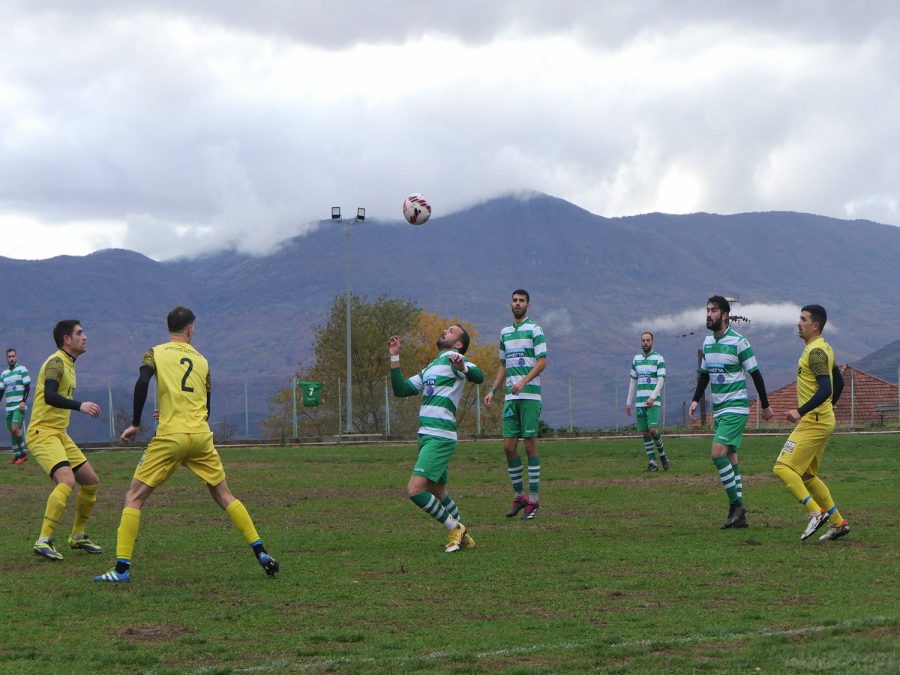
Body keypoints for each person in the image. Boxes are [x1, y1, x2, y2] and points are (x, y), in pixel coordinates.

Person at [94, 306, 278, 582]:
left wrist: (135, 423)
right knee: (224, 495)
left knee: (134, 497)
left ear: (170, 328)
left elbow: (142, 381)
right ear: (190, 328)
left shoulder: (153, 352)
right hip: (201, 436)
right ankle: (260, 550)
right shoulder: (202, 361)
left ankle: (121, 570)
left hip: (171, 436)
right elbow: (205, 406)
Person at [389, 324, 483, 553]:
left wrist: (463, 367)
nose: (444, 331)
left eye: (451, 331)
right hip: (427, 435)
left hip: (439, 436)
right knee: (437, 491)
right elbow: (401, 389)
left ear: (459, 343)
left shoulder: (455, 358)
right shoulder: (431, 366)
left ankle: (454, 527)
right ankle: (464, 536)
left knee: (415, 490)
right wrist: (395, 358)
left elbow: (479, 376)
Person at [690, 296, 774, 529]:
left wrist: (765, 405)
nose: (709, 314)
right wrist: (696, 399)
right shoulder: (708, 342)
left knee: (717, 454)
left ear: (725, 315)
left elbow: (756, 374)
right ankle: (740, 517)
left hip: (736, 407)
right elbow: (705, 375)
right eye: (707, 310)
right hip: (719, 409)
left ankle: (736, 506)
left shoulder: (740, 342)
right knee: (730, 456)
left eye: (713, 310)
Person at [773, 305, 849, 542]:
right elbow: (839, 382)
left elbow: (827, 387)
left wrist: (800, 410)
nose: (799, 322)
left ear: (815, 325)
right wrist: (826, 409)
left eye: (803, 319)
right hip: (822, 419)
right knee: (806, 475)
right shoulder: (823, 348)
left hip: (814, 421)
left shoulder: (816, 352)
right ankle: (838, 523)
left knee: (782, 468)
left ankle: (815, 513)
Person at [29, 321, 104, 560]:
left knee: (91, 482)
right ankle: (44, 540)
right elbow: (50, 396)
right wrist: (79, 405)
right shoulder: (56, 362)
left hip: (60, 434)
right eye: (79, 333)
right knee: (67, 480)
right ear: (66, 339)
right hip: (43, 433)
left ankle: (78, 536)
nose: (85, 337)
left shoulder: (69, 364)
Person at [483, 289, 547, 520]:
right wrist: (492, 390)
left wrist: (523, 381)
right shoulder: (505, 333)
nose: (517, 304)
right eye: (514, 300)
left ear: (528, 305)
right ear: (510, 304)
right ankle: (520, 496)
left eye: (521, 301)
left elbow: (542, 362)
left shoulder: (535, 329)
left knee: (529, 445)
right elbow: (503, 365)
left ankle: (534, 500)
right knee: (509, 447)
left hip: (529, 396)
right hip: (511, 398)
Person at [625, 332, 669, 472]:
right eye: (643, 340)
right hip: (640, 402)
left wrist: (653, 397)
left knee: (653, 430)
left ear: (652, 342)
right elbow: (633, 381)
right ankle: (652, 463)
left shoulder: (658, 358)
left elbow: (661, 380)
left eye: (648, 340)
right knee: (644, 432)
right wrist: (628, 402)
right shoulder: (636, 359)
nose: (645, 342)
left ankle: (662, 455)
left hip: (653, 402)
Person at [1, 348, 31, 464]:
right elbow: (1, 391)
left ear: (16, 357)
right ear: (6, 358)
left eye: (13, 356)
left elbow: (27, 386)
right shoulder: (4, 374)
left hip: (19, 406)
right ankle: (17, 455)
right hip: (8, 407)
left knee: (15, 428)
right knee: (11, 431)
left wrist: (23, 401)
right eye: (9, 357)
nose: (12, 358)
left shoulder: (22, 369)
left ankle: (23, 453)